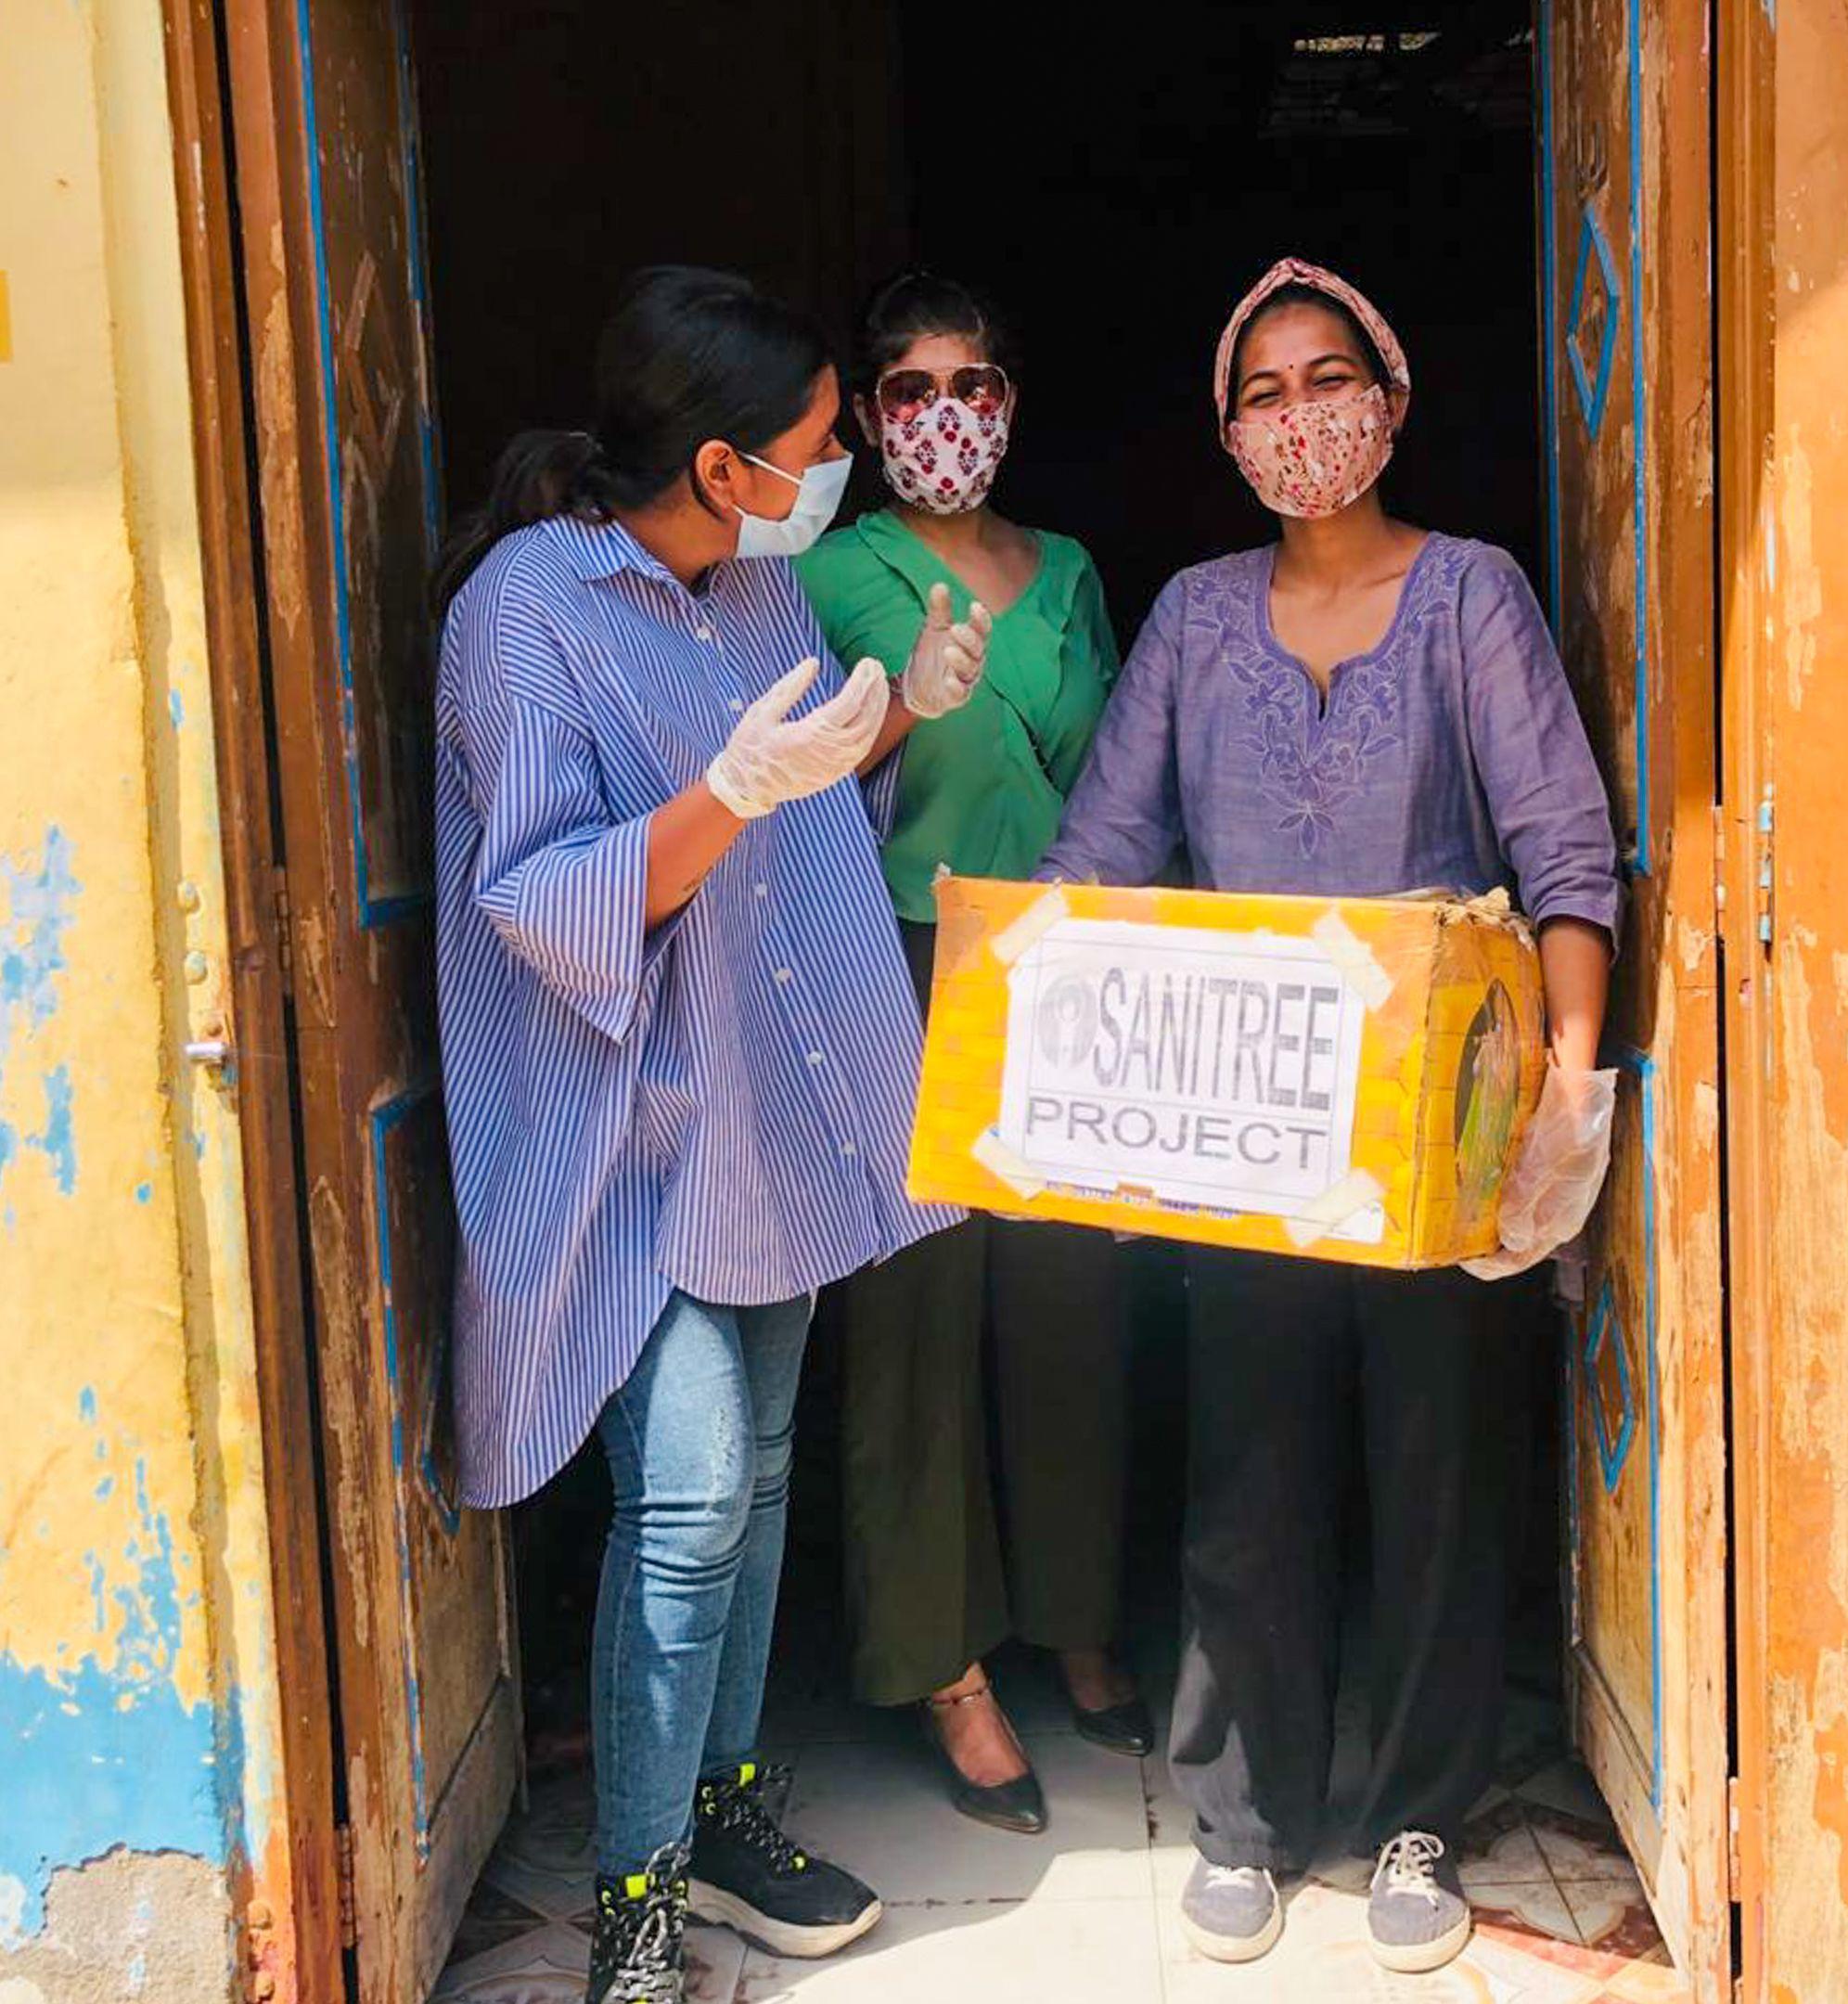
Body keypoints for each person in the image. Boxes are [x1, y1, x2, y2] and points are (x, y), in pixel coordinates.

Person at [1038, 255, 1621, 1973]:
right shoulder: (1196, 619)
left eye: (1328, 379)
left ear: (1392, 398)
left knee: (1438, 1468)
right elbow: (1100, 853)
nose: (1302, 419)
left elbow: (1564, 850)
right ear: (1226, 433)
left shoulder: (1471, 599)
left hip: (1443, 1130)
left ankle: (1422, 1814)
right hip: (1249, 1134)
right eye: (1263, 393)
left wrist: (1573, 1085)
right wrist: (1045, 1056)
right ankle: (1246, 1810)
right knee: (1252, 1466)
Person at [431, 265, 992, 2004]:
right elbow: (540, 898)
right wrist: (723, 796)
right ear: (727, 463)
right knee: (680, 1503)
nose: (843, 469)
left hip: (776, 1095)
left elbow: (815, 769)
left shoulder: (751, 597)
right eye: (824, 442)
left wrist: (899, 713)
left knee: (754, 1478)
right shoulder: (527, 612)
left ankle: (725, 1806)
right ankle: (638, 1905)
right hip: (626, 1115)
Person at [793, 273, 1148, 1837]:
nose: (951, 414)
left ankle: (1076, 1614)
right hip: (898, 965)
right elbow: (774, 778)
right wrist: (890, 718)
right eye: (917, 388)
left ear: (1012, 402)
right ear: (871, 418)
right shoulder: (828, 567)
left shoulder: (1067, 571)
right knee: (916, 1319)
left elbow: (1131, 771)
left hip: (1063, 965)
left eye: (979, 383)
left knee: (1070, 1297)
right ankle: (944, 1664)